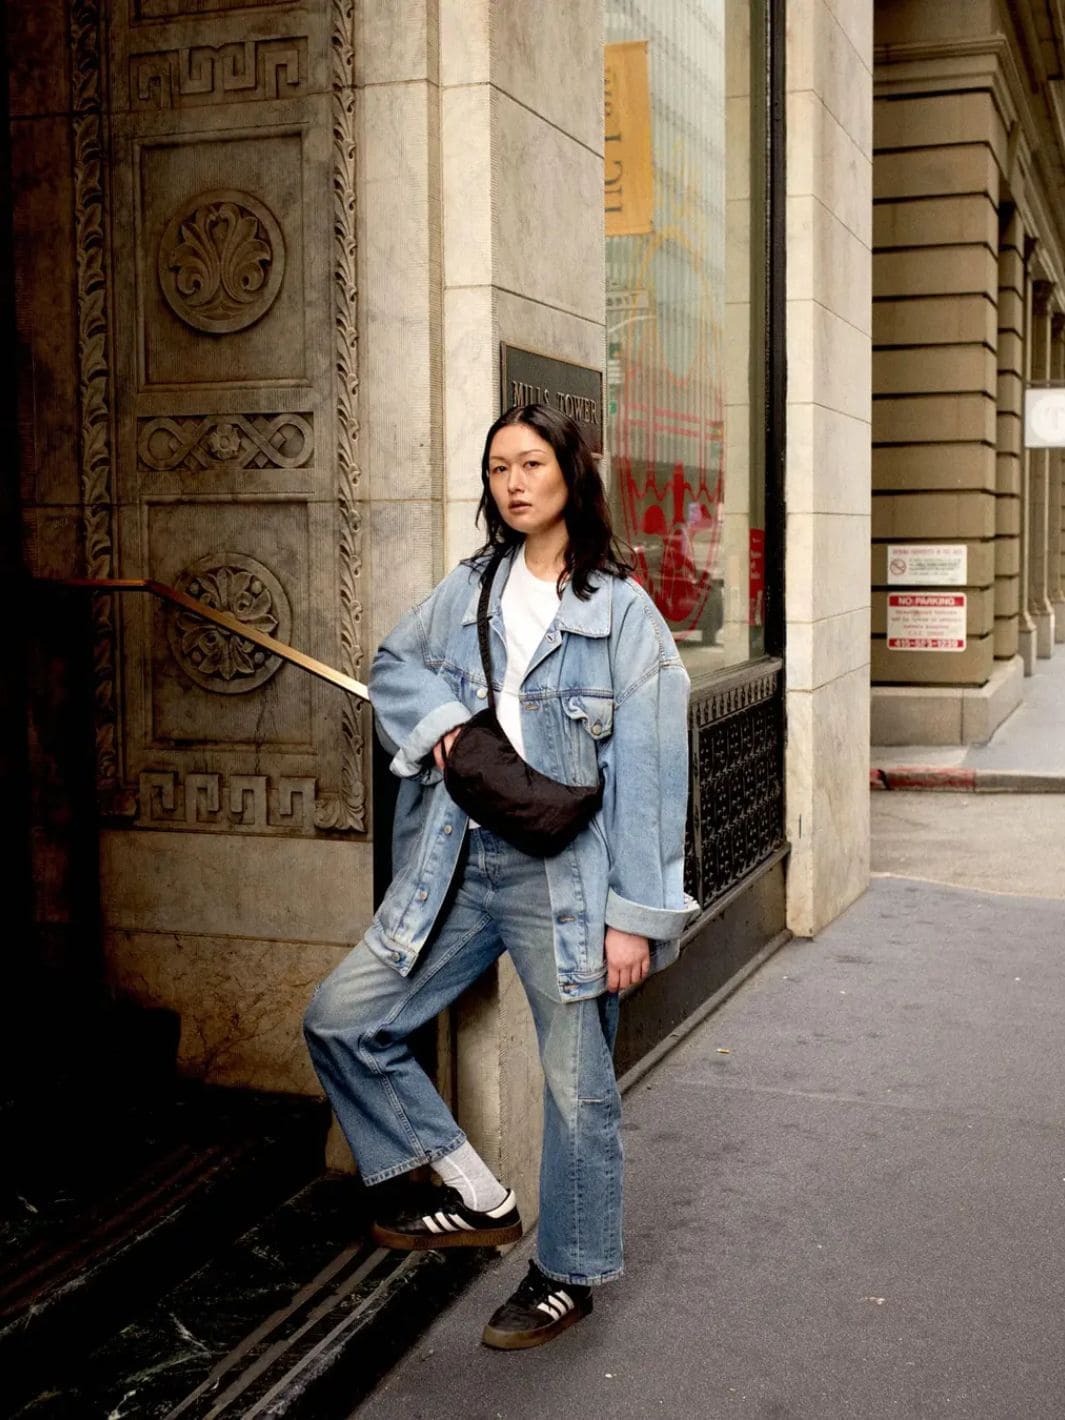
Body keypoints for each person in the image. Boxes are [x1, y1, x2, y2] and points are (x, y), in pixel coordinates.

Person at [304, 404, 696, 1350]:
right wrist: (441, 722)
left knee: (576, 1088)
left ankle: (566, 1273)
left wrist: (632, 919)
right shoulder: (472, 586)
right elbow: (392, 663)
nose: (512, 484)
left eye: (529, 464)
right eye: (495, 469)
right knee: (344, 1017)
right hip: (457, 860)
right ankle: (477, 1196)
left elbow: (648, 777)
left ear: (570, 473)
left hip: (565, 880)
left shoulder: (621, 614)